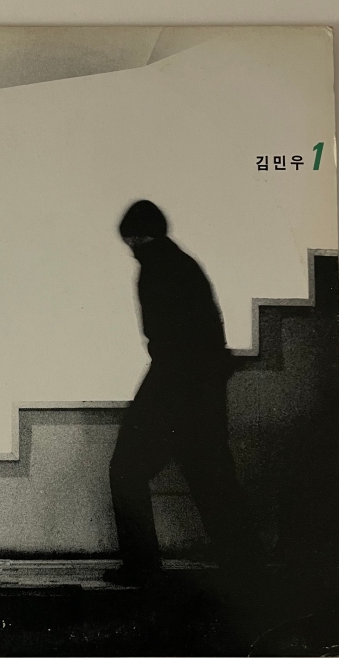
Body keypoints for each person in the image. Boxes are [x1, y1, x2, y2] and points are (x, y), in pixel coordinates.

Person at [105, 200, 249, 586]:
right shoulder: (183, 264)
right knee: (210, 475)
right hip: (201, 390)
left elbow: (167, 340)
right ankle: (243, 562)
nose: (131, 250)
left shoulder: (156, 268)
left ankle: (142, 565)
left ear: (139, 237)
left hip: (173, 385)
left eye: (132, 241)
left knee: (126, 469)